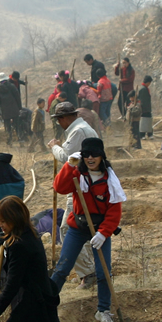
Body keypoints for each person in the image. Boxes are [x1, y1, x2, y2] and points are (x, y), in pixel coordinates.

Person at [50, 138, 125, 322]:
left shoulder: (110, 179)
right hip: (78, 228)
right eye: (87, 155)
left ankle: (103, 311)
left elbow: (114, 211)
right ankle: (46, 304)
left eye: (95, 154)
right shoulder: (77, 173)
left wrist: (103, 233)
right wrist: (68, 165)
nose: (91, 158)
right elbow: (59, 188)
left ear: (102, 156)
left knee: (103, 272)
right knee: (62, 268)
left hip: (100, 230)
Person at [47, 102, 99, 289]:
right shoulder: (82, 128)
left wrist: (54, 146)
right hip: (85, 185)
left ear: (64, 118)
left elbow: (66, 157)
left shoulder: (78, 131)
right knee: (82, 230)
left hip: (81, 188)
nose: (59, 123)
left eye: (59, 119)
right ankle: (87, 271)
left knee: (68, 229)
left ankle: (89, 273)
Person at [0, 73, 23, 145]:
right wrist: (19, 107)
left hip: (5, 111)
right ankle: (20, 141)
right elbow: (17, 97)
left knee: (7, 127)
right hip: (14, 108)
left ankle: (9, 142)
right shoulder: (12, 86)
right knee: (17, 126)